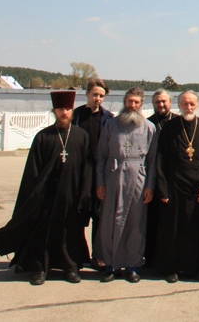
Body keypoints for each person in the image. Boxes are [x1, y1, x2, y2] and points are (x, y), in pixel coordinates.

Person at [0, 90, 91, 285]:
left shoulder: (81, 136)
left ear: (72, 110)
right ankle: (40, 268)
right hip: (47, 196)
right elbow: (32, 171)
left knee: (69, 232)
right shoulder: (43, 136)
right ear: (54, 111)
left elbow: (87, 168)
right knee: (43, 233)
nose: (64, 113)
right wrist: (32, 197)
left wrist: (84, 194)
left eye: (67, 109)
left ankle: (70, 268)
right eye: (60, 109)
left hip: (71, 195)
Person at [95, 87, 157, 283]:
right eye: (130, 101)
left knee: (135, 223)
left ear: (141, 104)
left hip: (138, 179)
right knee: (109, 221)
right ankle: (110, 265)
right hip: (113, 176)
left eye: (136, 102)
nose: (132, 105)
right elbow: (101, 156)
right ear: (124, 102)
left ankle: (133, 265)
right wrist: (100, 182)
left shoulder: (149, 128)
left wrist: (150, 186)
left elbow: (153, 161)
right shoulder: (111, 125)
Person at [155, 90, 199, 283]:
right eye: (184, 104)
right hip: (174, 187)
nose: (188, 107)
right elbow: (161, 160)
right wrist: (163, 189)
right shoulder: (170, 127)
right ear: (179, 106)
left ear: (197, 105)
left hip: (197, 190)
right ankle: (171, 268)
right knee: (173, 230)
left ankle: (194, 268)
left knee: (195, 230)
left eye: (191, 104)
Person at [72, 78, 113, 263]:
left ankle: (98, 256)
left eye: (101, 96)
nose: (98, 98)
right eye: (95, 94)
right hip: (79, 170)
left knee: (99, 214)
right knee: (78, 213)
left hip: (100, 172)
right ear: (87, 94)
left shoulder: (108, 118)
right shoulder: (76, 116)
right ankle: (78, 254)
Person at [145, 88, 176, 264]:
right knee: (152, 219)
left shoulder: (178, 122)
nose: (161, 105)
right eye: (158, 102)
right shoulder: (147, 124)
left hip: (172, 179)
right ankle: (151, 257)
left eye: (164, 101)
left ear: (170, 102)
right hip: (152, 178)